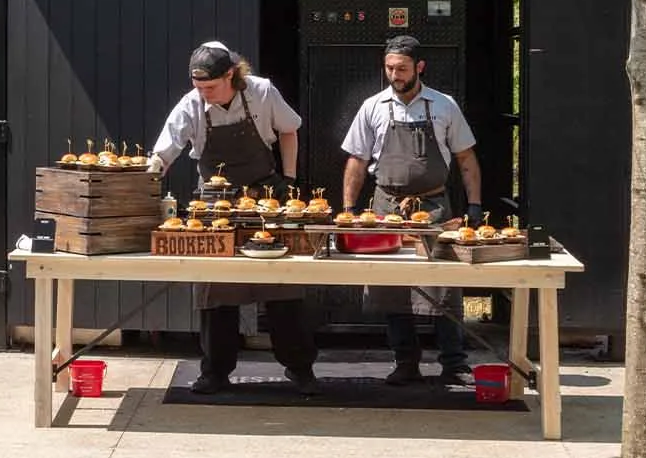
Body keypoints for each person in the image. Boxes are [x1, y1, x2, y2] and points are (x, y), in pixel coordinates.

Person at [149, 41, 320, 396]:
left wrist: (288, 181)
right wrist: (150, 169)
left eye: (210, 87)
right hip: (215, 204)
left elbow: (289, 129)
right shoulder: (191, 104)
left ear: (231, 75)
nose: (203, 94)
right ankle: (215, 371)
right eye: (198, 87)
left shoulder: (262, 91)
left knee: (282, 284)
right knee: (215, 288)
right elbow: (165, 151)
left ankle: (300, 368)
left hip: (264, 200)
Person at [340, 35, 484, 387]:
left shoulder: (444, 105)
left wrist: (475, 205)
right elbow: (357, 161)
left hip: (435, 208)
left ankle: (454, 363)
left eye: (402, 68)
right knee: (394, 287)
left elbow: (466, 159)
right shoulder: (372, 106)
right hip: (386, 207)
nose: (394, 74)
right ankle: (405, 361)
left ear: (419, 67)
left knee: (445, 286)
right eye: (389, 68)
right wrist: (349, 210)